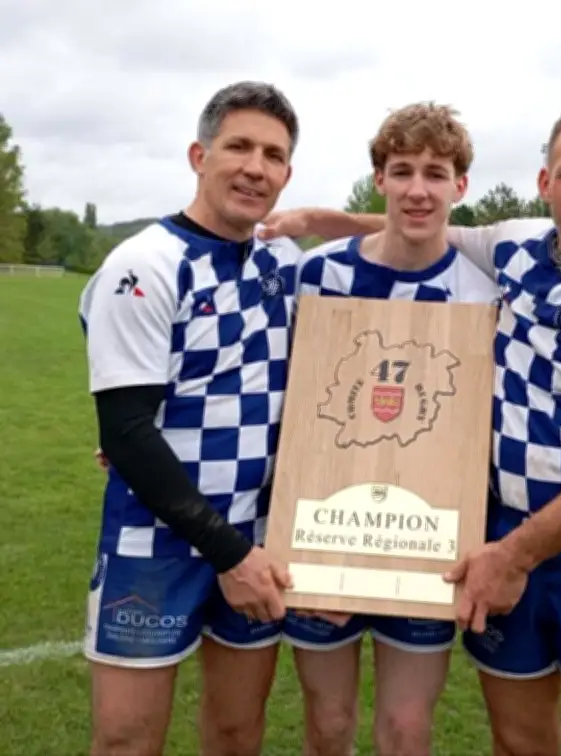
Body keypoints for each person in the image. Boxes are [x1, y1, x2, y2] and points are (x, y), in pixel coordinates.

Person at [259, 99, 561, 756]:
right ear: (545, 183)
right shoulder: (519, 244)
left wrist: (514, 555)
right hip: (498, 530)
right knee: (520, 739)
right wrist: (313, 220)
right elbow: (415, 220)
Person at [78, 81, 302, 756]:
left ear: (287, 174)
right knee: (127, 738)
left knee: (237, 734)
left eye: (274, 155)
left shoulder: (283, 261)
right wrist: (227, 553)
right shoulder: (143, 265)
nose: (255, 167)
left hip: (257, 538)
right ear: (198, 155)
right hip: (159, 540)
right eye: (239, 146)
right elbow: (126, 432)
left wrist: (245, 552)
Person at [282, 102, 499, 756]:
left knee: (407, 730)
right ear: (380, 178)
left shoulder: (484, 288)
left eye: (436, 173)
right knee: (329, 724)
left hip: (427, 543)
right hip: (324, 534)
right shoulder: (320, 276)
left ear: (460, 186)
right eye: (401, 170)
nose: (417, 188)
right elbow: (278, 392)